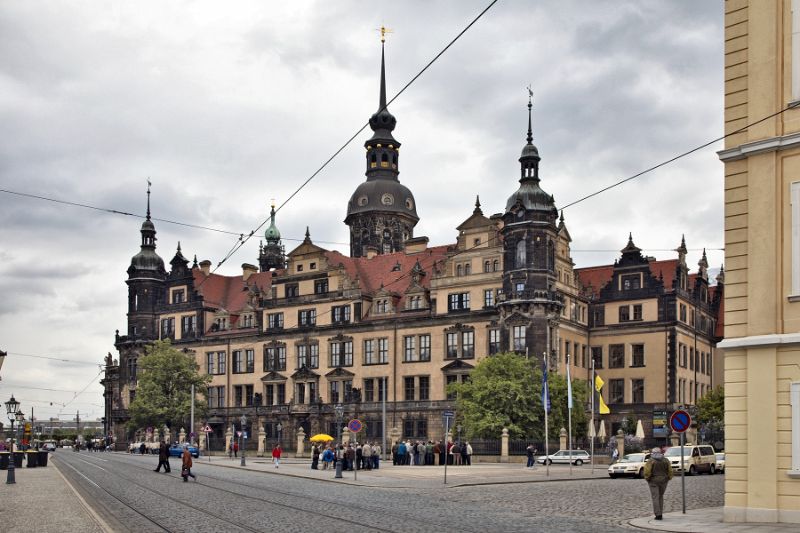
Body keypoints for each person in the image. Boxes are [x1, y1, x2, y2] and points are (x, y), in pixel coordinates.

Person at [644, 446, 673, 520]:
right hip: (663, 481)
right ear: (660, 452)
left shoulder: (651, 460)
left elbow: (647, 471)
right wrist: (669, 477)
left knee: (655, 497)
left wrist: (647, 478)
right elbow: (670, 470)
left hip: (653, 481)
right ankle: (661, 513)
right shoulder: (665, 460)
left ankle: (658, 514)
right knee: (660, 496)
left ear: (653, 453)